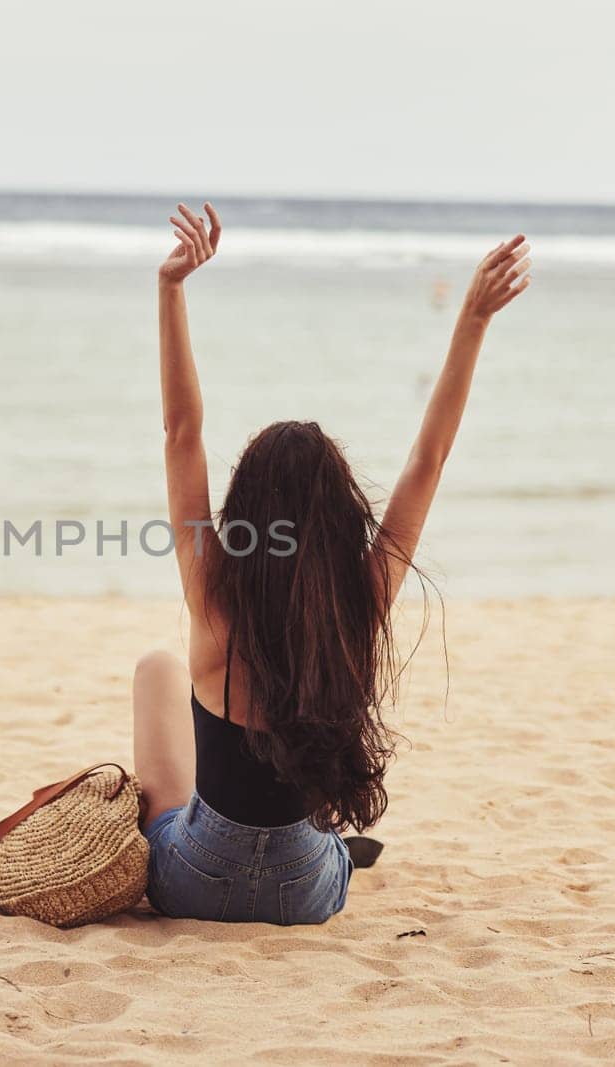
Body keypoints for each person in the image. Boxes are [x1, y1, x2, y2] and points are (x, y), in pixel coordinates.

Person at [133, 203, 530, 924]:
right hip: (305, 891)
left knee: (158, 672)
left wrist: (171, 287)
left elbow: (181, 433)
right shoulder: (359, 601)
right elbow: (428, 460)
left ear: (244, 515)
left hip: (197, 878)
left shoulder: (214, 593)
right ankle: (338, 847)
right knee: (320, 838)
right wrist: (473, 322)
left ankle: (236, 830)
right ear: (340, 517)